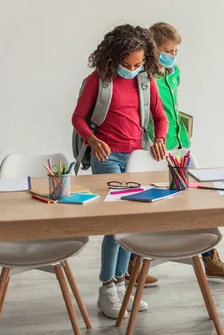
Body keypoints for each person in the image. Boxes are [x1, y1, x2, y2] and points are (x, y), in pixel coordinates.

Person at [71, 24, 168, 319]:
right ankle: (107, 288)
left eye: (138, 64)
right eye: (127, 64)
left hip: (136, 158)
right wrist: (93, 139)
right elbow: (78, 118)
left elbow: (160, 117)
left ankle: (124, 282)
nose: (132, 69)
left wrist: (160, 140)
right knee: (116, 227)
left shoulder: (145, 82)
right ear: (113, 57)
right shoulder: (97, 81)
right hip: (107, 158)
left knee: (131, 223)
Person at [144, 22, 224, 281]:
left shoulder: (173, 73)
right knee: (148, 209)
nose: (172, 55)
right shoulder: (144, 78)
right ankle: (135, 263)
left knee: (197, 201)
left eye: (176, 51)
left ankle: (209, 257)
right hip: (153, 148)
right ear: (152, 49)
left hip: (179, 143)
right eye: (167, 50)